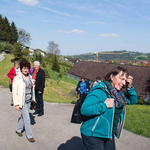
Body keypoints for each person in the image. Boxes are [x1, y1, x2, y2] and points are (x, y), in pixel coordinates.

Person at [80, 66, 137, 150]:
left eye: (125, 80)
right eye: (121, 79)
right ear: (112, 76)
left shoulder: (119, 94)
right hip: (93, 134)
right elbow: (84, 109)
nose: (124, 83)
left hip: (108, 133)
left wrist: (129, 87)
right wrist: (104, 105)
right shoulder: (100, 90)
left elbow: (133, 100)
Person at [13, 59, 35, 143]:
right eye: (24, 68)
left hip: (29, 100)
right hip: (22, 101)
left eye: (27, 68)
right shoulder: (17, 78)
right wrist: (16, 104)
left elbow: (31, 88)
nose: (26, 70)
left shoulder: (30, 77)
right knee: (27, 119)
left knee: (23, 117)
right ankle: (30, 136)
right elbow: (15, 92)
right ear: (21, 69)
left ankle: (18, 130)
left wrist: (33, 100)